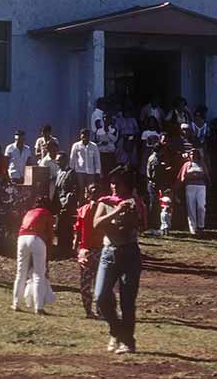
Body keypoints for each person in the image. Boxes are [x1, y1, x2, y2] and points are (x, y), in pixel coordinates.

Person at [94, 167, 147, 354]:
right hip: (109, 252)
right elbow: (97, 224)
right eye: (112, 182)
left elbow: (140, 226)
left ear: (127, 185)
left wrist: (131, 210)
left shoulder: (135, 203)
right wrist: (116, 212)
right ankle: (115, 330)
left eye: (118, 183)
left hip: (130, 254)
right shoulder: (106, 202)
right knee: (100, 296)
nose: (114, 186)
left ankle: (127, 341)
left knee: (127, 300)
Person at [12, 197, 56, 314]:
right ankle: (39, 307)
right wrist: (50, 248)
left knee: (20, 272)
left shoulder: (29, 212)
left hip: (22, 238)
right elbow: (50, 233)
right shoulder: (47, 213)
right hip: (37, 239)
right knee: (39, 274)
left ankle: (15, 303)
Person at [74, 183, 103, 318]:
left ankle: (88, 311)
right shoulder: (104, 209)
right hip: (99, 249)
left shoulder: (82, 210)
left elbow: (78, 232)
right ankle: (100, 310)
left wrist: (77, 249)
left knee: (85, 282)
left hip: (85, 249)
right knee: (100, 281)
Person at [177, 148, 210, 236]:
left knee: (201, 206)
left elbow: (207, 175)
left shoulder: (202, 164)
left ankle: (201, 226)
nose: (193, 155)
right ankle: (193, 228)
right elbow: (181, 177)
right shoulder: (187, 164)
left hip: (201, 187)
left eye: (195, 153)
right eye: (191, 154)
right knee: (191, 207)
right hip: (190, 186)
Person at [53, 153, 79, 258]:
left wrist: (67, 205)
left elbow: (73, 191)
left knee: (67, 228)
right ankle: (61, 248)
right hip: (59, 204)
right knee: (59, 228)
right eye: (56, 160)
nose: (57, 162)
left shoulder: (71, 173)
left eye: (59, 160)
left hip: (67, 206)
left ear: (65, 160)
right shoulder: (59, 172)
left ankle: (67, 250)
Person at [70, 128, 101, 196]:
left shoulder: (94, 146)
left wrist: (97, 172)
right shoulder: (76, 145)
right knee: (81, 190)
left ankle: (90, 205)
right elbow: (72, 158)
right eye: (83, 135)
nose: (84, 137)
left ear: (89, 136)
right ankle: (81, 205)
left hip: (91, 172)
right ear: (80, 135)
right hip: (80, 172)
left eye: (86, 135)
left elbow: (97, 160)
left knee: (91, 190)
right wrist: (71, 170)